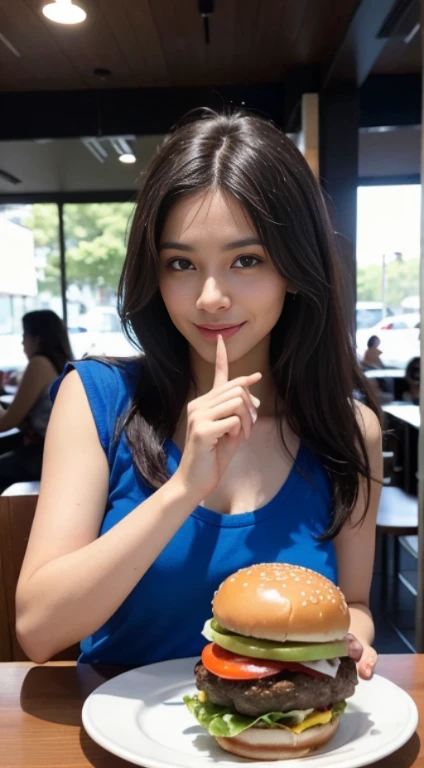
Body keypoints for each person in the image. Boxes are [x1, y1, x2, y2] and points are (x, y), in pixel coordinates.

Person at [15, 111, 382, 681]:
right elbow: (38, 630)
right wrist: (184, 488)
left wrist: (351, 642)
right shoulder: (97, 398)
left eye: (247, 260)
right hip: (119, 738)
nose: (211, 297)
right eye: (181, 263)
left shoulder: (348, 428)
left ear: (295, 267)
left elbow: (354, 604)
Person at [0, 310, 73, 490]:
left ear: (37, 340)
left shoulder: (39, 364)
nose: (22, 342)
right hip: (57, 450)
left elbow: (6, 423)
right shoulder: (60, 363)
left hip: (46, 454)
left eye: (24, 335)